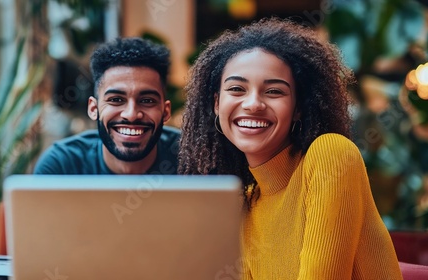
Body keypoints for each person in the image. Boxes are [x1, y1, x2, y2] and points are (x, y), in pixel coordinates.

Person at [179, 18, 402, 279]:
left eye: (273, 91)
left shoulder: (331, 155)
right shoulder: (245, 201)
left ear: (298, 108)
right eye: (237, 89)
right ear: (217, 104)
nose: (253, 104)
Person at [34, 37, 180, 175]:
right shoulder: (60, 167)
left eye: (147, 101)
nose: (131, 114)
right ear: (93, 109)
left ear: (166, 111)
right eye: (116, 99)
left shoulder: (193, 158)